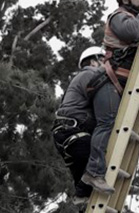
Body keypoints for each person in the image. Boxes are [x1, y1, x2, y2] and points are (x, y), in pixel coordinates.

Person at [81, 0, 139, 194]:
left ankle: (112, 174)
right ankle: (94, 173)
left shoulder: (131, 17)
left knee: (120, 133)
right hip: (109, 83)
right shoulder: (119, 17)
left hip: (119, 84)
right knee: (106, 124)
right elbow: (135, 32)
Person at [52, 46, 105, 204]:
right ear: (94, 61)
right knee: (96, 168)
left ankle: (82, 199)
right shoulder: (90, 74)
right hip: (74, 133)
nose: (106, 65)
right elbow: (108, 93)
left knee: (86, 195)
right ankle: (81, 193)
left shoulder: (81, 78)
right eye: (103, 61)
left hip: (66, 133)